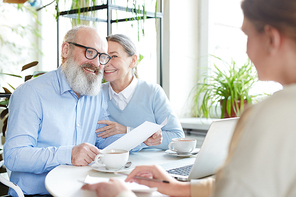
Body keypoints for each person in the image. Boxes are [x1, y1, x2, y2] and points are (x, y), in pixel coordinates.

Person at [82, 0, 296, 196]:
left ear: (271, 38)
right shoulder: (95, 95)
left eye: (247, 35)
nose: (246, 50)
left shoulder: (271, 115)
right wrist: (177, 187)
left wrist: (121, 193)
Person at [3, 25, 118, 196]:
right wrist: (69, 154)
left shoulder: (96, 95)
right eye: (90, 52)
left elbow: (103, 139)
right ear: (66, 50)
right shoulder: (30, 93)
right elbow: (14, 156)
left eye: (101, 57)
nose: (96, 63)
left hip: (81, 190)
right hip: (37, 194)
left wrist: (139, 137)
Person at [95, 34, 185, 151]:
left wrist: (127, 130)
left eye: (114, 56)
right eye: (103, 57)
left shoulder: (153, 92)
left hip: (153, 165)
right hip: (114, 166)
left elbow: (177, 137)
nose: (106, 63)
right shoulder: (97, 94)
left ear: (133, 61)